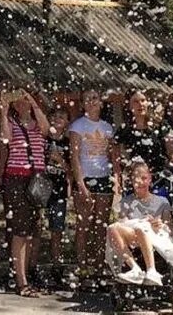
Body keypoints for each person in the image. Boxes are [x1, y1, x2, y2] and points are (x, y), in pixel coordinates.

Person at [0, 86, 50, 298]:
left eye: (24, 101)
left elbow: (47, 129)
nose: (22, 104)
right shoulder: (11, 123)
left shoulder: (38, 124)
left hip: (36, 180)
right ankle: (21, 281)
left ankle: (25, 273)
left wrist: (33, 101)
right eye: (17, 102)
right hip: (16, 180)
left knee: (32, 230)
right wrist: (3, 111)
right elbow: (5, 139)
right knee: (20, 231)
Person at [106, 161, 173, 287]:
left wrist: (160, 223)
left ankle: (152, 270)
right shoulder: (126, 202)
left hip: (156, 236)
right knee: (113, 227)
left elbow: (170, 228)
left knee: (142, 227)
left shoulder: (162, 201)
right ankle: (135, 269)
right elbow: (123, 223)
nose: (140, 183)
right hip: (134, 238)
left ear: (150, 179)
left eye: (144, 178)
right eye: (136, 180)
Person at [69, 90, 117, 286]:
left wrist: (117, 176)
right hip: (86, 177)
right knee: (84, 224)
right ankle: (82, 264)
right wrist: (80, 183)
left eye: (95, 98)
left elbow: (113, 154)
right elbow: (74, 156)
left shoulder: (107, 127)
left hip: (104, 177)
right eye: (87, 99)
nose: (91, 102)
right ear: (83, 104)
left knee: (101, 224)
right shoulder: (78, 126)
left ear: (101, 103)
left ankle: (98, 264)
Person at [45, 107, 71, 270]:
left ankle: (56, 265)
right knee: (36, 228)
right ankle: (32, 266)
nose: (57, 118)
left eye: (62, 116)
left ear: (67, 122)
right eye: (54, 115)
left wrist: (59, 159)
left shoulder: (68, 143)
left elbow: (71, 169)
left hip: (59, 189)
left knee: (57, 229)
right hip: (40, 189)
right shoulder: (43, 139)